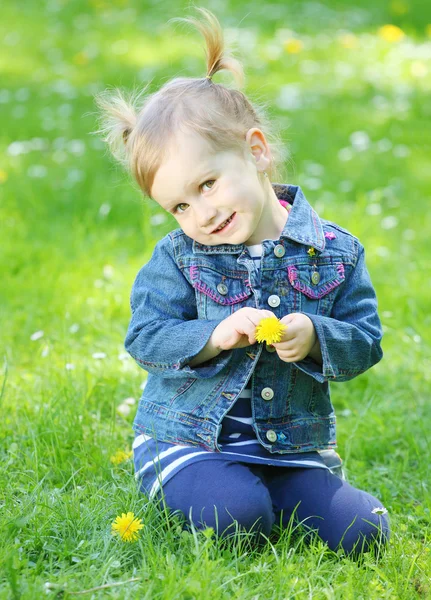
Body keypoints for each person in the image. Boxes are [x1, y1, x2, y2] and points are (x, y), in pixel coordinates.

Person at [95, 7, 390, 558]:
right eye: (179, 204)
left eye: (207, 184)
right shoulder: (180, 257)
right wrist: (212, 336)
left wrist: (316, 334)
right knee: (238, 517)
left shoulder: (335, 252)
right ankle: (190, 482)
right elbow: (145, 336)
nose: (200, 213)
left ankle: (275, 490)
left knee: (364, 530)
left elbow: (366, 340)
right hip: (190, 440)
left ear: (256, 151)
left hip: (291, 450)